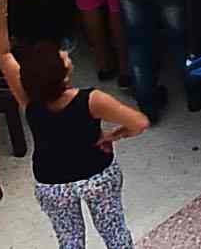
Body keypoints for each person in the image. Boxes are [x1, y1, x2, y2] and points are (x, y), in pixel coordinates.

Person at [26, 37, 160, 249]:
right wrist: (113, 135)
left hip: (52, 183)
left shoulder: (28, 100)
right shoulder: (92, 100)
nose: (64, 53)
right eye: (61, 56)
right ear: (62, 73)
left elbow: (3, 55)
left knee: (70, 241)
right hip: (96, 175)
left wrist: (0, 12)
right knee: (115, 233)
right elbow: (140, 123)